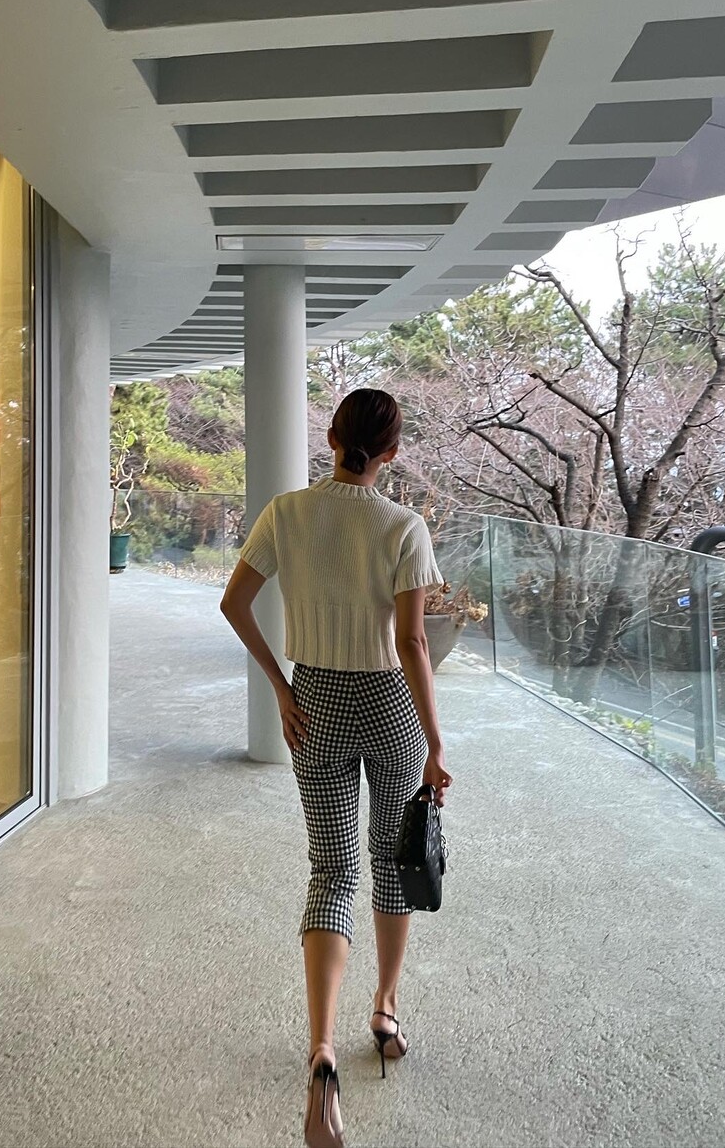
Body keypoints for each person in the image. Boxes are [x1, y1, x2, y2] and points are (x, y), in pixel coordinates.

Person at [220, 387, 452, 1148]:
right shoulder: (403, 525)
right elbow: (413, 643)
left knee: (331, 869)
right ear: (392, 453)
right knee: (393, 860)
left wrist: (281, 688)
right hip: (388, 705)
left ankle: (320, 1047)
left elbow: (235, 604)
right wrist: (435, 743)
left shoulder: (286, 513)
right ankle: (384, 1011)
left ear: (330, 438)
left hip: (314, 700)